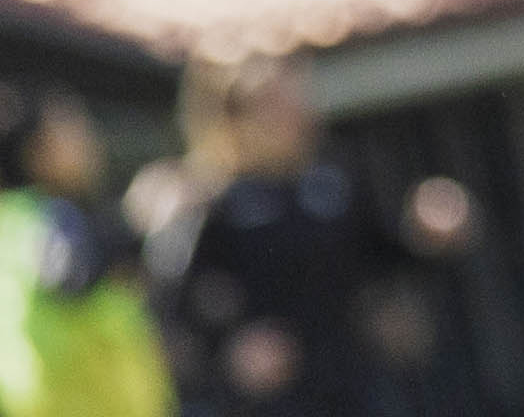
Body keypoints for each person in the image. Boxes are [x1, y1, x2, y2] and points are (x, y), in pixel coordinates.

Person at [141, 58, 472, 417]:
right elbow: (169, 303)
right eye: (274, 106)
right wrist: (228, 351)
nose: (294, 116)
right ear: (234, 120)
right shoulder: (208, 202)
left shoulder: (333, 183)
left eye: (297, 102)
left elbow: (378, 259)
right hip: (268, 403)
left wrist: (425, 237)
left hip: (351, 386)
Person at [0, 85, 169, 417]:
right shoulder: (52, 217)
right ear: (38, 151)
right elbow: (70, 271)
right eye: (73, 127)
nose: (91, 140)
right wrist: (141, 225)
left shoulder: (13, 220)